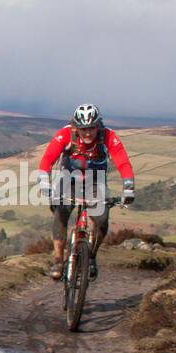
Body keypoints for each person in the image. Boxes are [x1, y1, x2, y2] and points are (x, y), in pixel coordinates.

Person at [36, 103, 135, 280]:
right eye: (83, 129)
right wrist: (44, 182)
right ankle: (58, 260)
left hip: (95, 182)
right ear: (75, 127)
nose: (87, 133)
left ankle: (91, 256)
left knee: (102, 220)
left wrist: (128, 187)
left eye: (91, 128)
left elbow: (123, 162)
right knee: (60, 213)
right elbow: (48, 158)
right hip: (68, 179)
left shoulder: (108, 136)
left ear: (98, 125)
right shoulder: (66, 133)